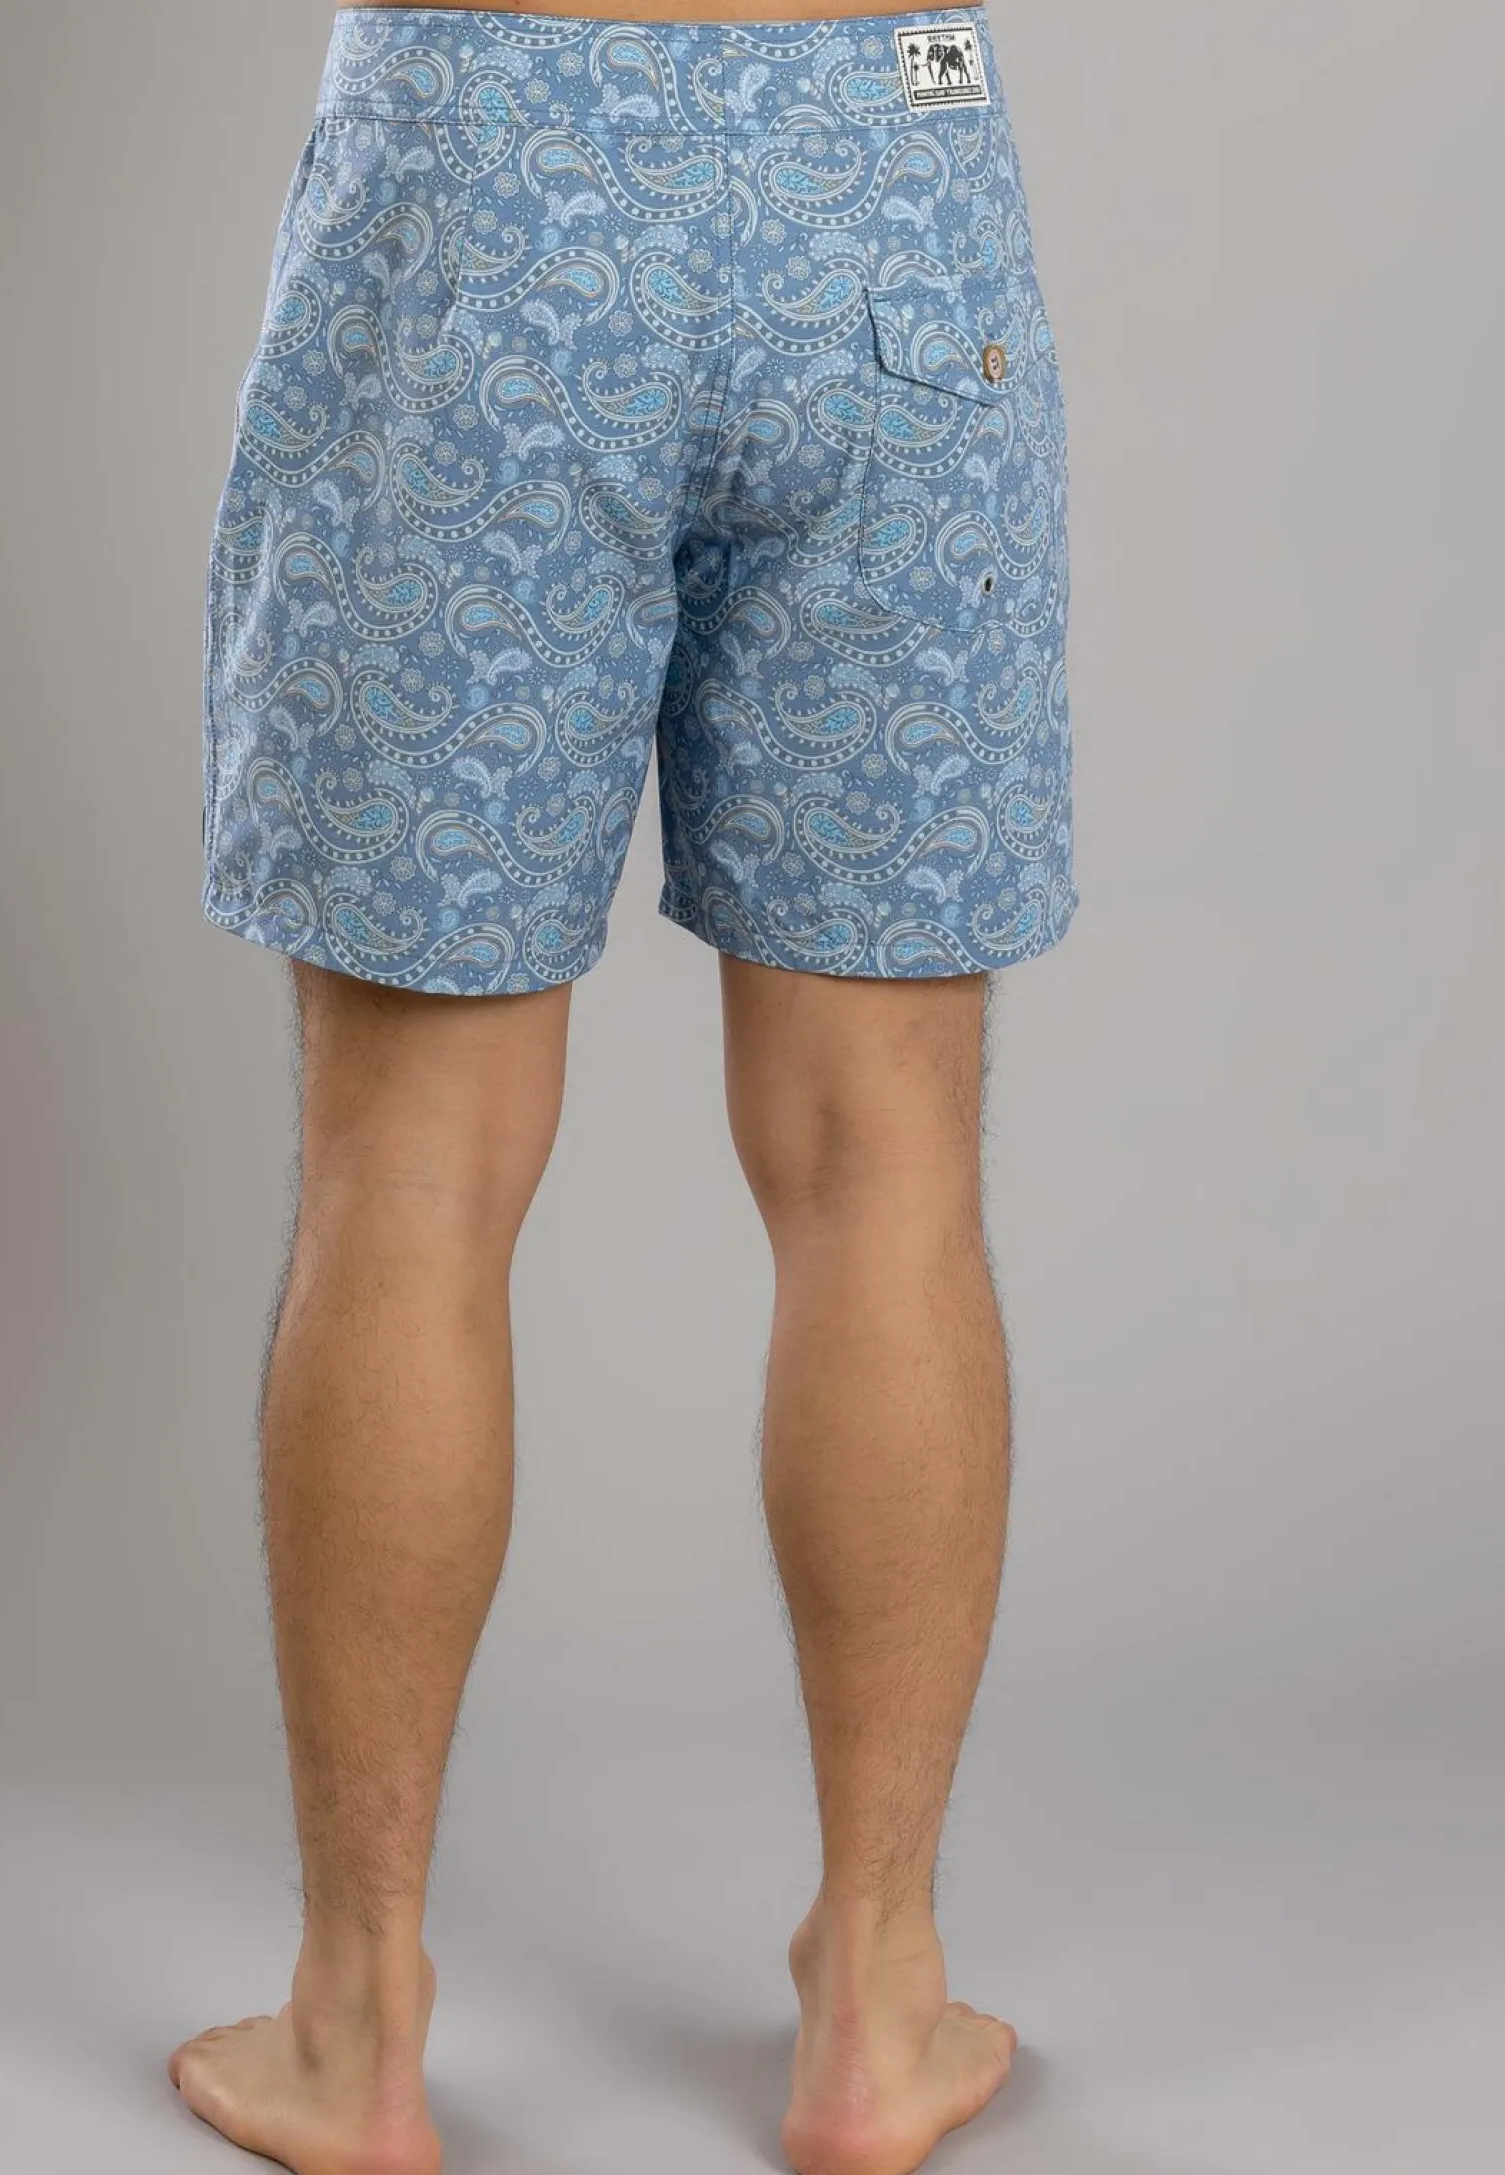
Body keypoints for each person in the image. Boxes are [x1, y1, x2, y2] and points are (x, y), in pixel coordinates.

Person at [178, 1, 1074, 2168]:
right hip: (881, 154)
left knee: (410, 1174)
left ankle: (355, 2023)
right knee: (886, 1164)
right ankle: (878, 2002)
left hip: (482, 162)